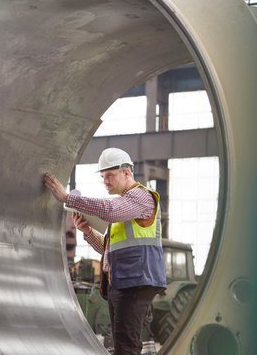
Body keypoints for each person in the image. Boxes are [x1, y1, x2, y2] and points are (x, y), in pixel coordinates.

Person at [44, 147, 166, 355]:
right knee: (123, 344)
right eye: (103, 176)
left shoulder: (141, 197)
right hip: (122, 282)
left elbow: (111, 210)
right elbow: (108, 251)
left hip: (136, 281)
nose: (105, 181)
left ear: (126, 173)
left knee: (126, 346)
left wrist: (68, 198)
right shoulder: (124, 210)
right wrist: (87, 231)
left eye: (110, 175)